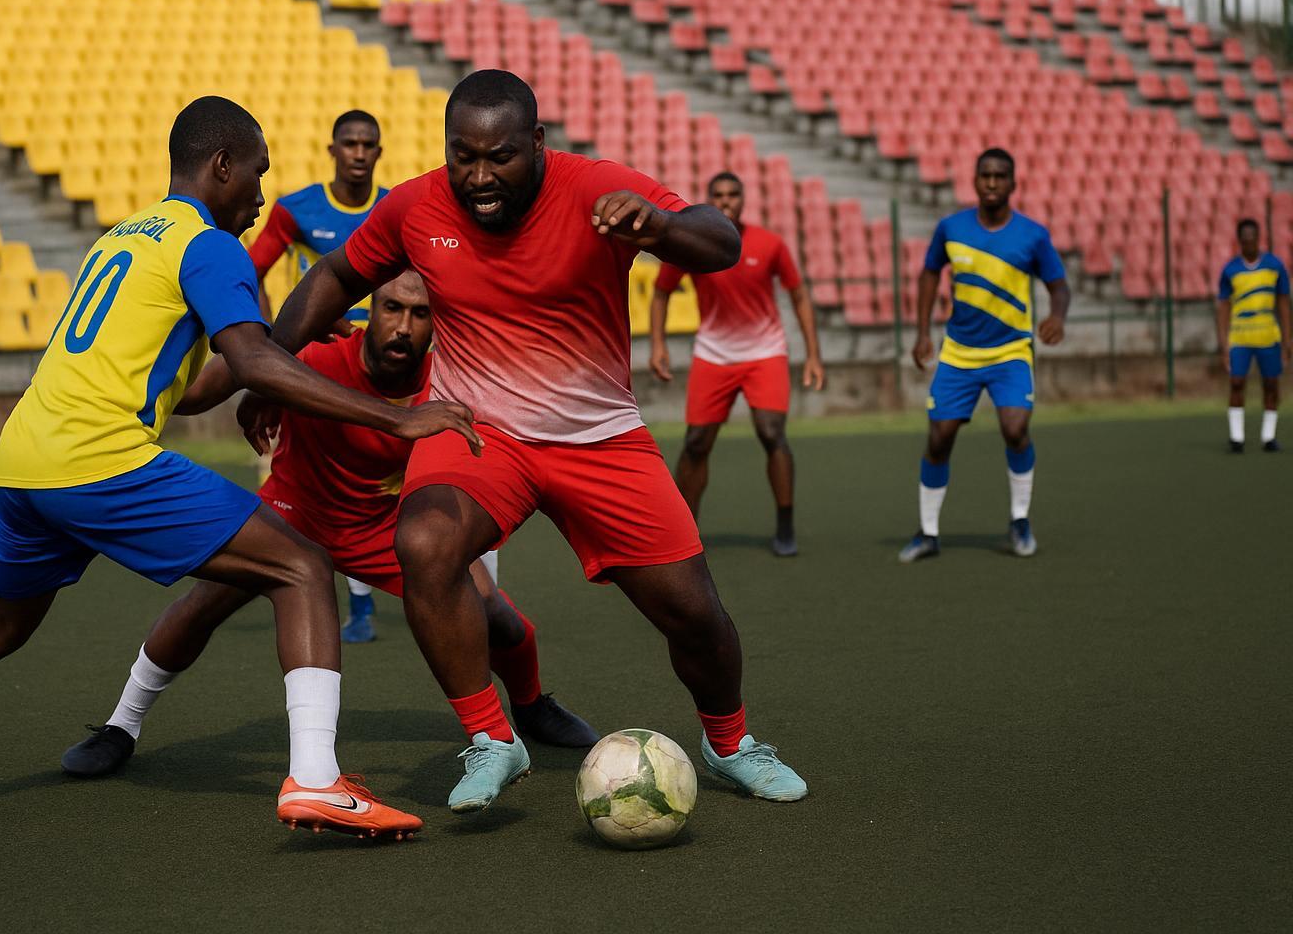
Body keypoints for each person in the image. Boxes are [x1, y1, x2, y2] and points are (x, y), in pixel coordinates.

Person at [0, 96, 481, 839]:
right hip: (99, 458)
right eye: (256, 174)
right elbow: (253, 363)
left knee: (1, 622)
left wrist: (270, 347)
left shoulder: (123, 236)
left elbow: (190, 384)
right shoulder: (210, 246)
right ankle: (316, 780)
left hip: (22, 462)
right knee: (302, 566)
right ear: (222, 165)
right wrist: (395, 416)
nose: (260, 196)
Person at [251, 68, 809, 815]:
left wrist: (660, 226)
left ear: (537, 143)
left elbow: (720, 240)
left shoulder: (595, 187)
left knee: (695, 614)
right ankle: (492, 737)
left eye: (500, 157)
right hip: (481, 432)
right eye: (463, 157)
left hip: (599, 438)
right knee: (424, 545)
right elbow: (334, 275)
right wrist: (273, 368)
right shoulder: (416, 206)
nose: (479, 177)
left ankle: (731, 744)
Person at [60, 271, 597, 778]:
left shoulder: (451, 383)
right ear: (371, 310)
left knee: (493, 611)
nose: (403, 326)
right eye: (392, 308)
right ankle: (121, 726)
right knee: (204, 605)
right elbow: (228, 379)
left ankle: (531, 704)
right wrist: (261, 391)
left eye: (419, 314)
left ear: (438, 323)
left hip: (386, 525)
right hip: (295, 516)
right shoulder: (314, 357)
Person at [247, 108, 390, 642]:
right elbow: (253, 270)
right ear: (333, 150)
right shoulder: (297, 208)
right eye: (350, 143)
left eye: (368, 144)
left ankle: (464, 595)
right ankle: (342, 600)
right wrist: (271, 341)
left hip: (382, 367)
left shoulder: (393, 208)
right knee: (308, 481)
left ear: (379, 152)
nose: (359, 153)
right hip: (317, 364)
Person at [899, 148, 1070, 563]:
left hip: (1011, 351)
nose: (992, 182)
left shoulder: (1032, 235)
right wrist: (922, 332)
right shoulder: (951, 228)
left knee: (1015, 429)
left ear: (1013, 183)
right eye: (985, 175)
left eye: (1000, 175)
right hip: (959, 352)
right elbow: (929, 273)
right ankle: (928, 532)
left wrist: (1057, 316)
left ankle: (1019, 520)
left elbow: (1059, 284)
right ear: (974, 181)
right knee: (939, 438)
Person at [649, 171, 824, 556]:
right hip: (714, 354)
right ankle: (685, 532)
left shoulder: (770, 243)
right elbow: (660, 293)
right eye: (719, 195)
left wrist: (813, 355)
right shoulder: (692, 243)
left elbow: (799, 295)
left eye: (732, 194)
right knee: (696, 443)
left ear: (743, 199)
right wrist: (658, 344)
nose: (726, 201)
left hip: (765, 352)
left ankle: (785, 527)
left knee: (771, 433)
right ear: (709, 200)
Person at [1216, 218, 1291, 452]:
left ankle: (1268, 437)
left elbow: (1283, 303)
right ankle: (1236, 438)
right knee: (1236, 382)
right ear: (1239, 241)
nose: (1249, 242)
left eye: (1253, 237)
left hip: (1268, 335)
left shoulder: (1275, 266)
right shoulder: (1230, 270)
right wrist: (1223, 343)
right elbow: (1223, 307)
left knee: (1271, 384)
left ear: (1259, 238)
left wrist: (1287, 339)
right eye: (1245, 238)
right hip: (1240, 336)